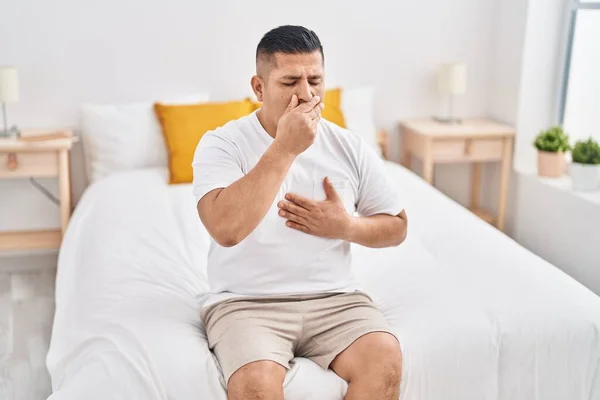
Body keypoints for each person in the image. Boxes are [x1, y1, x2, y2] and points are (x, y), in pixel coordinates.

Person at [193, 25, 407, 400]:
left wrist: (346, 227)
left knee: (385, 361)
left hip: (336, 299)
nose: (306, 94)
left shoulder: (349, 145)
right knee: (254, 386)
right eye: (290, 81)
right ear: (259, 88)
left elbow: (397, 226)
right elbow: (225, 229)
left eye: (315, 80)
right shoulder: (222, 144)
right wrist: (285, 148)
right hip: (246, 301)